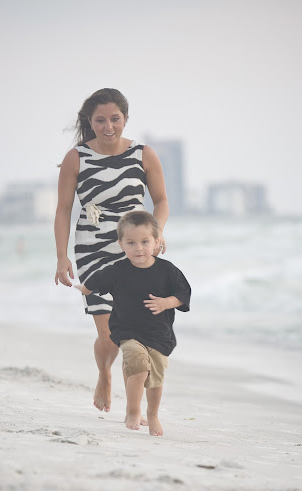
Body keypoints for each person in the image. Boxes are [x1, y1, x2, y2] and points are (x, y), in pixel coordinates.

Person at [54, 88, 169, 415]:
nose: (108, 126)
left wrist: (156, 233)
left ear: (125, 119)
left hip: (135, 247)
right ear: (90, 122)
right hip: (92, 248)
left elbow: (161, 202)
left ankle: (139, 406)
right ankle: (104, 373)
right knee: (109, 335)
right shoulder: (76, 157)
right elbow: (63, 210)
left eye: (115, 119)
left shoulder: (143, 154)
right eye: (100, 120)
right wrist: (62, 256)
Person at [75, 211, 191, 436]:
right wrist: (86, 288)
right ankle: (132, 410)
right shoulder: (118, 270)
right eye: (131, 243)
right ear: (121, 245)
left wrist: (166, 302)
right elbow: (98, 278)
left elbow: (183, 293)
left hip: (159, 335)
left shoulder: (167, 270)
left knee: (155, 380)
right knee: (137, 366)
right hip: (127, 332)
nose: (139, 248)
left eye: (145, 242)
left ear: (156, 242)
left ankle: (153, 414)